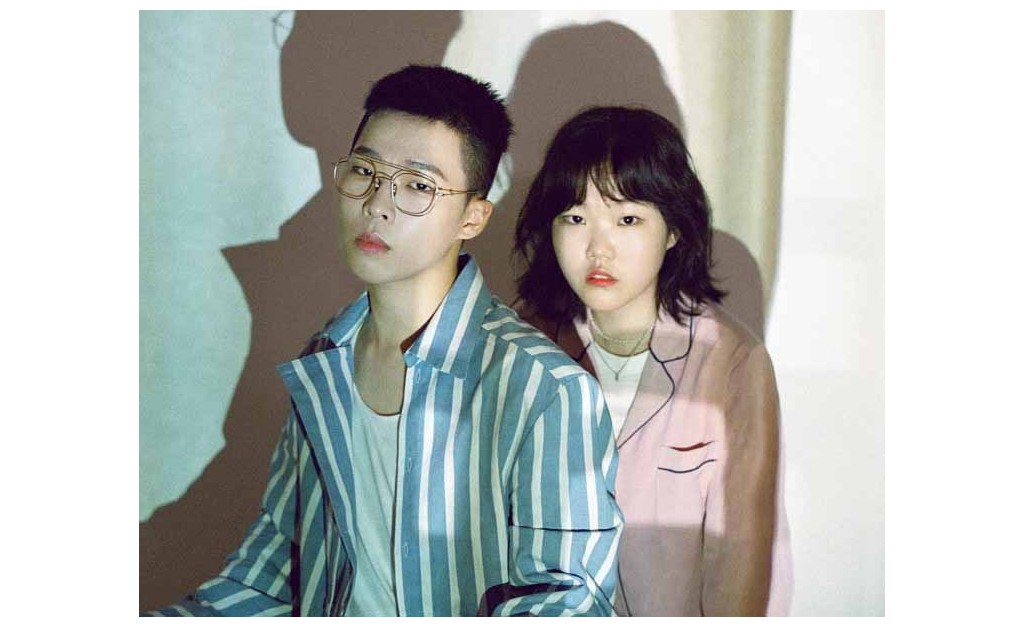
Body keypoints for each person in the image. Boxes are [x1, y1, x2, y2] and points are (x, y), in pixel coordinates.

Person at [146, 65, 622, 617]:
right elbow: (271, 575)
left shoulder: (545, 388)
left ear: (472, 218)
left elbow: (565, 602)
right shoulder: (325, 361)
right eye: (364, 171)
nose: (377, 204)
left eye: (417, 185)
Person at [514, 106, 792, 616]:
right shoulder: (517, 346)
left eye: (627, 220)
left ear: (673, 230)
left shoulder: (732, 363)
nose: (598, 249)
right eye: (575, 218)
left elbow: (741, 566)